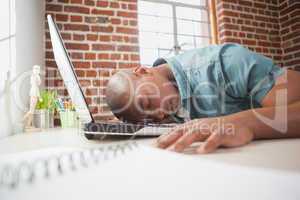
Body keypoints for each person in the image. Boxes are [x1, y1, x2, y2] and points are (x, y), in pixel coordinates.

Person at [106, 43, 300, 154]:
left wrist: (242, 124)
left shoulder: (223, 63)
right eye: (152, 120)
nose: (161, 113)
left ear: (143, 71)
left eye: (147, 102)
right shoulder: (165, 98)